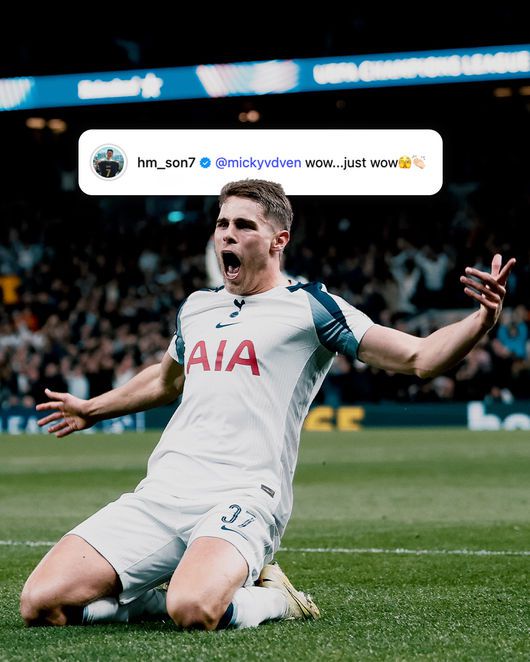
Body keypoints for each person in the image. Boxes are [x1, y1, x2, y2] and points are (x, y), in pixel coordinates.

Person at [20, 179, 515, 631]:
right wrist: (92, 409)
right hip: (163, 491)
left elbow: (419, 357)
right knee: (40, 604)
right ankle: (157, 598)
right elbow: (166, 379)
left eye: (244, 225)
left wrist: (481, 320)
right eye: (221, 224)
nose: (227, 235)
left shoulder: (313, 307)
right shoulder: (197, 307)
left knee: (193, 610)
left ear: (279, 240)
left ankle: (276, 598)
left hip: (243, 494)